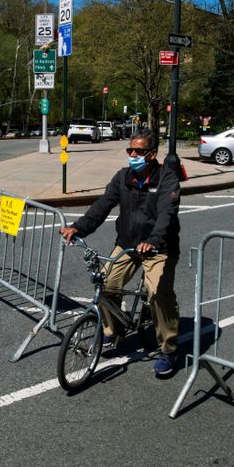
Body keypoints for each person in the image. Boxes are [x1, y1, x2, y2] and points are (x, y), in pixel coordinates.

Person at [60, 129, 181, 376]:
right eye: (130, 150)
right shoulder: (123, 177)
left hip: (158, 247)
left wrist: (154, 240)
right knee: (105, 283)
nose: (133, 155)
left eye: (138, 151)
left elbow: (167, 214)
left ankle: (169, 350)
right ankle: (113, 330)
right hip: (127, 243)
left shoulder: (166, 179)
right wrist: (78, 228)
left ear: (152, 154)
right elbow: (102, 205)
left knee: (159, 293)